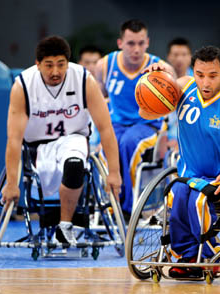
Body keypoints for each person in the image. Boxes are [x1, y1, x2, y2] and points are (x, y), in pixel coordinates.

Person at [140, 46, 220, 278]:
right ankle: (187, 258)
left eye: (212, 76)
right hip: (190, 177)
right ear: (194, 72)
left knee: (198, 201)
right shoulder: (183, 88)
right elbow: (146, 113)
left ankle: (213, 254)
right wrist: (153, 80)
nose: (205, 83)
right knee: (177, 194)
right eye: (200, 75)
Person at [1, 36, 122, 245]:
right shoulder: (23, 85)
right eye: (48, 65)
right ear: (37, 64)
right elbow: (14, 139)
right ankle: (58, 219)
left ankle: (65, 227)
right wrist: (12, 184)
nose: (55, 72)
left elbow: (106, 128)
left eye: (61, 64)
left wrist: (114, 172)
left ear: (69, 62)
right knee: (45, 179)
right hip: (38, 147)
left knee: (75, 164)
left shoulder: (84, 80)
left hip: (73, 138)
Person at [94, 20, 174, 215]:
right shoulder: (104, 65)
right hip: (117, 124)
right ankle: (110, 204)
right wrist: (97, 137)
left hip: (148, 125)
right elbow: (98, 100)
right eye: (131, 43)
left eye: (140, 43)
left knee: (129, 143)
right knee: (107, 145)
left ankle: (129, 209)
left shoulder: (161, 68)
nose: (136, 49)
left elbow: (173, 103)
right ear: (120, 43)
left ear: (147, 42)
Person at [166, 37, 193, 149]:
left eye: (184, 54)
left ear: (190, 57)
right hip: (166, 138)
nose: (180, 59)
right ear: (169, 57)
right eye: (176, 55)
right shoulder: (159, 83)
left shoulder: (200, 82)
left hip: (192, 137)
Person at [78, 45, 103, 151]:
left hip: (101, 147)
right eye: (87, 63)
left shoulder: (111, 91)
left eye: (95, 63)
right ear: (79, 64)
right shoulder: (70, 91)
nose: (91, 67)